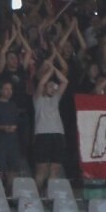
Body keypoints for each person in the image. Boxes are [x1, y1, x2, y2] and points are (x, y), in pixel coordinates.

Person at [33, 53, 69, 192]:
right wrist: (49, 71)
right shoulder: (38, 100)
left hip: (58, 134)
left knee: (55, 168)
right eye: (50, 86)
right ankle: (37, 195)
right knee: (41, 168)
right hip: (42, 134)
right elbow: (41, 83)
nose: (53, 88)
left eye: (54, 87)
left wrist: (54, 68)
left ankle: (51, 196)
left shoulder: (56, 99)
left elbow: (65, 82)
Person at [0, 80, 21, 193]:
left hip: (13, 141)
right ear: (0, 90)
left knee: (14, 170)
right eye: (6, 89)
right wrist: (3, 128)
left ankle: (9, 194)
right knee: (0, 169)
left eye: (10, 89)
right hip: (0, 141)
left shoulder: (13, 105)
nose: (9, 91)